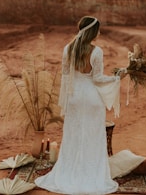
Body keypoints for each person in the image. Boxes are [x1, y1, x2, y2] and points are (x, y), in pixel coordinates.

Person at [35, 16, 126, 194]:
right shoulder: (97, 51)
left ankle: (71, 170)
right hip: (92, 98)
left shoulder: (67, 49)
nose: (99, 33)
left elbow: (66, 76)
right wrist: (117, 77)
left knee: (73, 134)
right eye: (98, 30)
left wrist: (68, 99)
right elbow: (98, 79)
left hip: (74, 97)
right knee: (92, 135)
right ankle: (91, 172)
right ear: (93, 31)